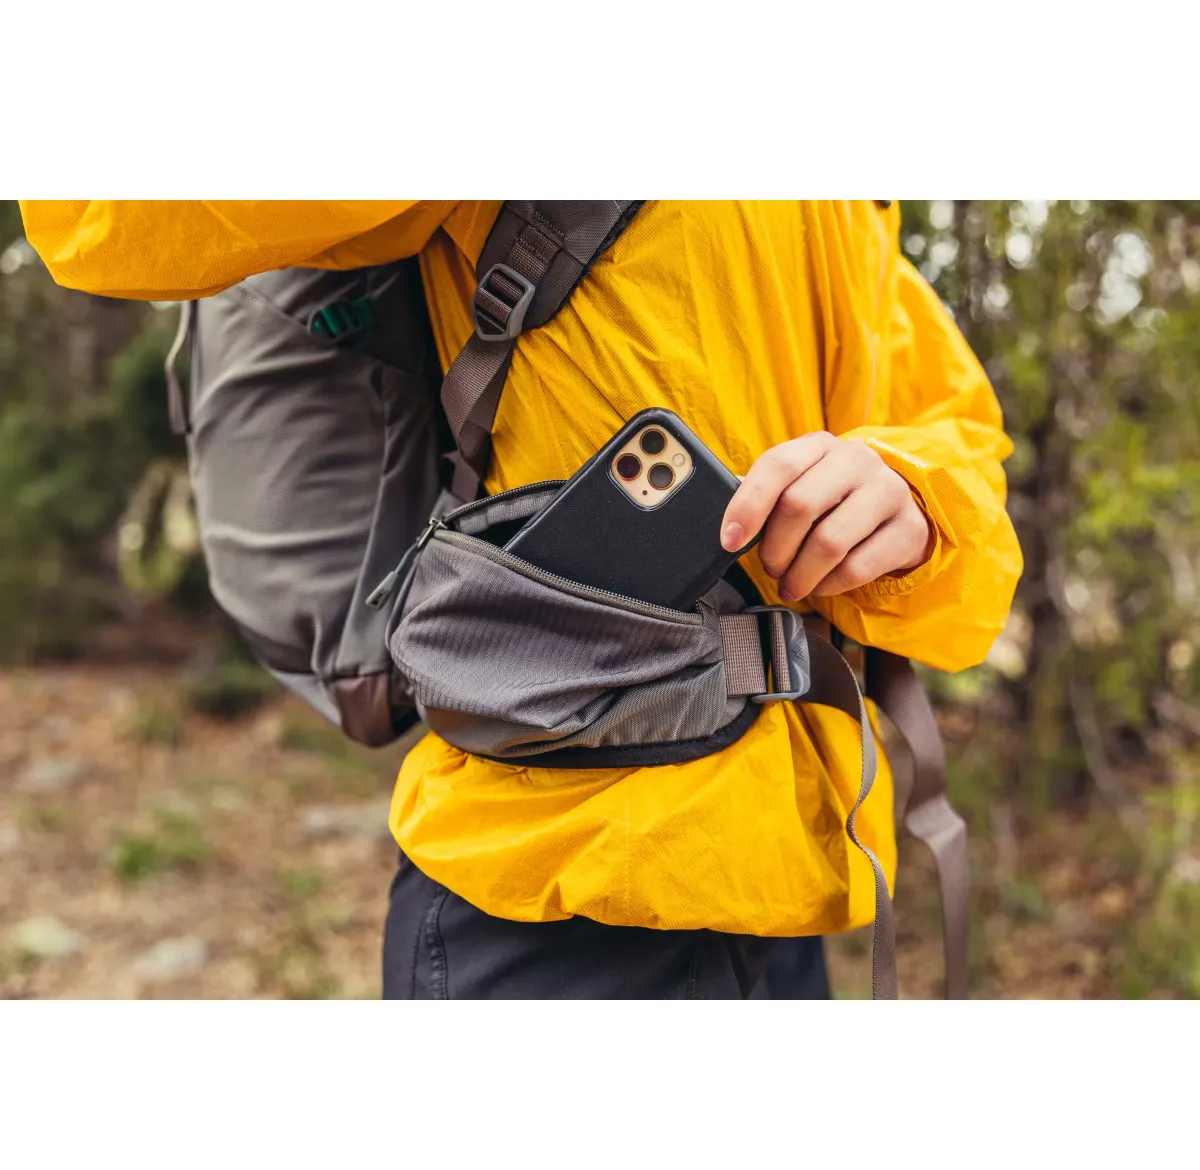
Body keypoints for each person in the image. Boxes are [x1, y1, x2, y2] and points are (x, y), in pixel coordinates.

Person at [20, 201, 1022, 999]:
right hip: (552, 885)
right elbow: (95, 217)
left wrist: (916, 496)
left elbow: (960, 433)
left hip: (793, 883)